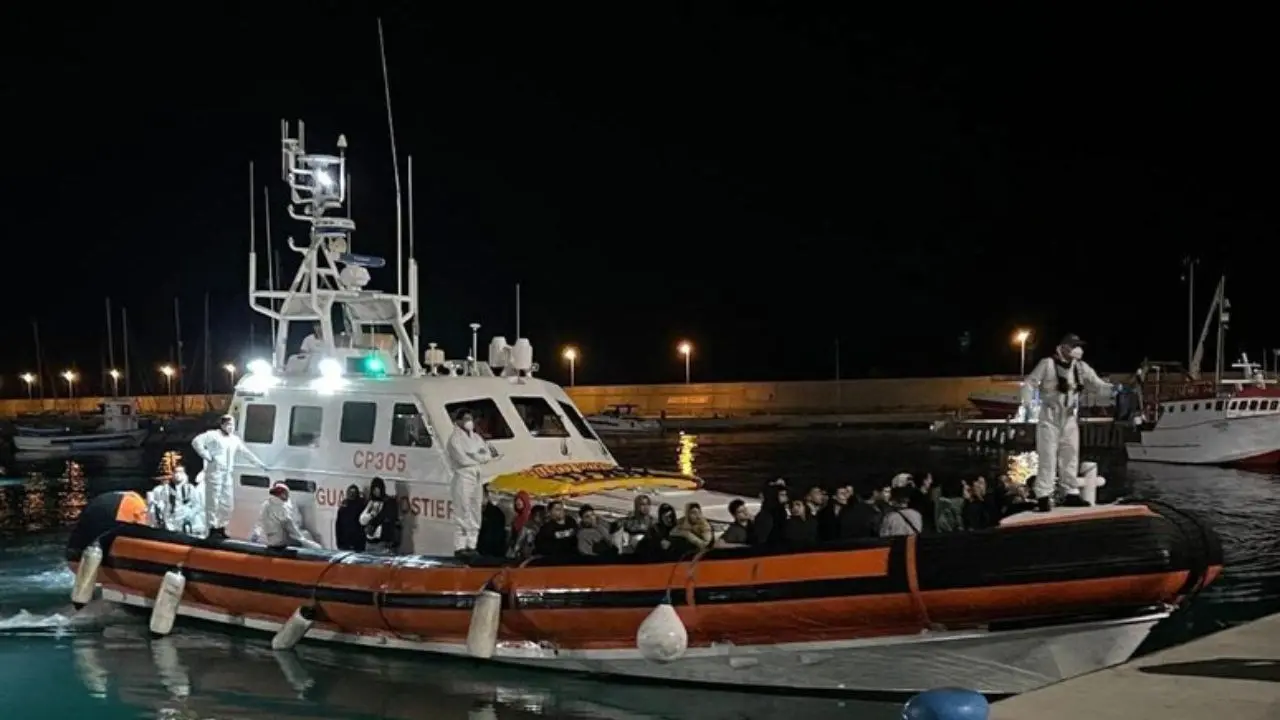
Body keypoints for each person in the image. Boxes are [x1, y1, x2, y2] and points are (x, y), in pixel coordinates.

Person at [1021, 333, 1114, 511]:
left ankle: (1070, 491)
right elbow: (1030, 382)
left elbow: (1097, 384)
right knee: (1048, 456)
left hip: (1070, 417)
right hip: (1049, 416)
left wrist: (1113, 389)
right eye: (1073, 346)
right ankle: (1043, 495)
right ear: (1062, 346)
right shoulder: (1047, 364)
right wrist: (1027, 403)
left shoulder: (1080, 367)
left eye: (1078, 346)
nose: (1077, 349)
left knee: (1070, 454)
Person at [191, 414, 269, 540]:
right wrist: (206, 455)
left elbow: (246, 453)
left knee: (227, 503)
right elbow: (196, 442)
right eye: (228, 424)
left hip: (228, 473)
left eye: (232, 425)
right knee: (213, 501)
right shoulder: (212, 435)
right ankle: (212, 528)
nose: (231, 427)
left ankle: (222, 526)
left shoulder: (234, 440)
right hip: (215, 472)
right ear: (222, 425)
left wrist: (260, 464)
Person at [446, 408, 497, 558]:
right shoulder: (454, 439)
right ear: (459, 421)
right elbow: (462, 459)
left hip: (477, 476)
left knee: (475, 510)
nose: (470, 422)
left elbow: (487, 456)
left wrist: (474, 456)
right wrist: (477, 456)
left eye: (471, 418)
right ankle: (460, 546)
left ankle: (471, 544)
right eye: (466, 419)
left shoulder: (476, 438)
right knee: (462, 510)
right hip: (463, 476)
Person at [257, 483, 321, 550]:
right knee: (310, 543)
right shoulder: (280, 506)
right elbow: (289, 525)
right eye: (286, 494)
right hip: (278, 542)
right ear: (282, 494)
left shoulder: (266, 504)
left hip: (268, 539)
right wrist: (302, 539)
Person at [360, 477, 400, 553]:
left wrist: (373, 523)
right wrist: (370, 516)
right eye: (374, 489)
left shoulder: (389, 502)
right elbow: (362, 520)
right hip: (369, 542)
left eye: (378, 489)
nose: (376, 492)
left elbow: (385, 517)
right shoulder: (371, 502)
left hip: (382, 542)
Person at [335, 484, 367, 551]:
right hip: (344, 544)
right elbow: (338, 525)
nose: (352, 494)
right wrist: (339, 542)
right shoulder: (343, 506)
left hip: (358, 544)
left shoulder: (361, 505)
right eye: (350, 492)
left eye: (354, 492)